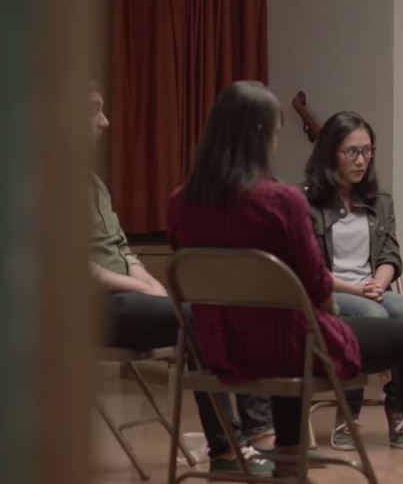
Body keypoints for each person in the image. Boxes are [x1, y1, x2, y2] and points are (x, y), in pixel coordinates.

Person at [166, 80, 403, 483]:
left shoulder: (180, 202)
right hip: (287, 349)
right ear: (260, 135)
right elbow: (318, 291)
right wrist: (338, 307)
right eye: (275, 133)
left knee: (288, 325)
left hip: (216, 347)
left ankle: (289, 464)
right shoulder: (281, 201)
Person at [87, 82, 275, 473]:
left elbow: (122, 250)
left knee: (227, 308)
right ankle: (226, 449)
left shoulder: (94, 183)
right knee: (202, 317)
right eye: (93, 110)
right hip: (88, 309)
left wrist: (154, 288)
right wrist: (143, 288)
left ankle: (259, 434)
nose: (104, 121)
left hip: (127, 299)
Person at [303, 111, 403, 451]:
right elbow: (308, 268)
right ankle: (348, 412)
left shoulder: (380, 202)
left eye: (367, 151)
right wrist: (357, 290)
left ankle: (397, 410)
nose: (361, 160)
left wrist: (378, 284)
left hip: (370, 288)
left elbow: (390, 255)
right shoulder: (306, 203)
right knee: (374, 316)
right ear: (330, 153)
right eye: (352, 152)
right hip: (329, 292)